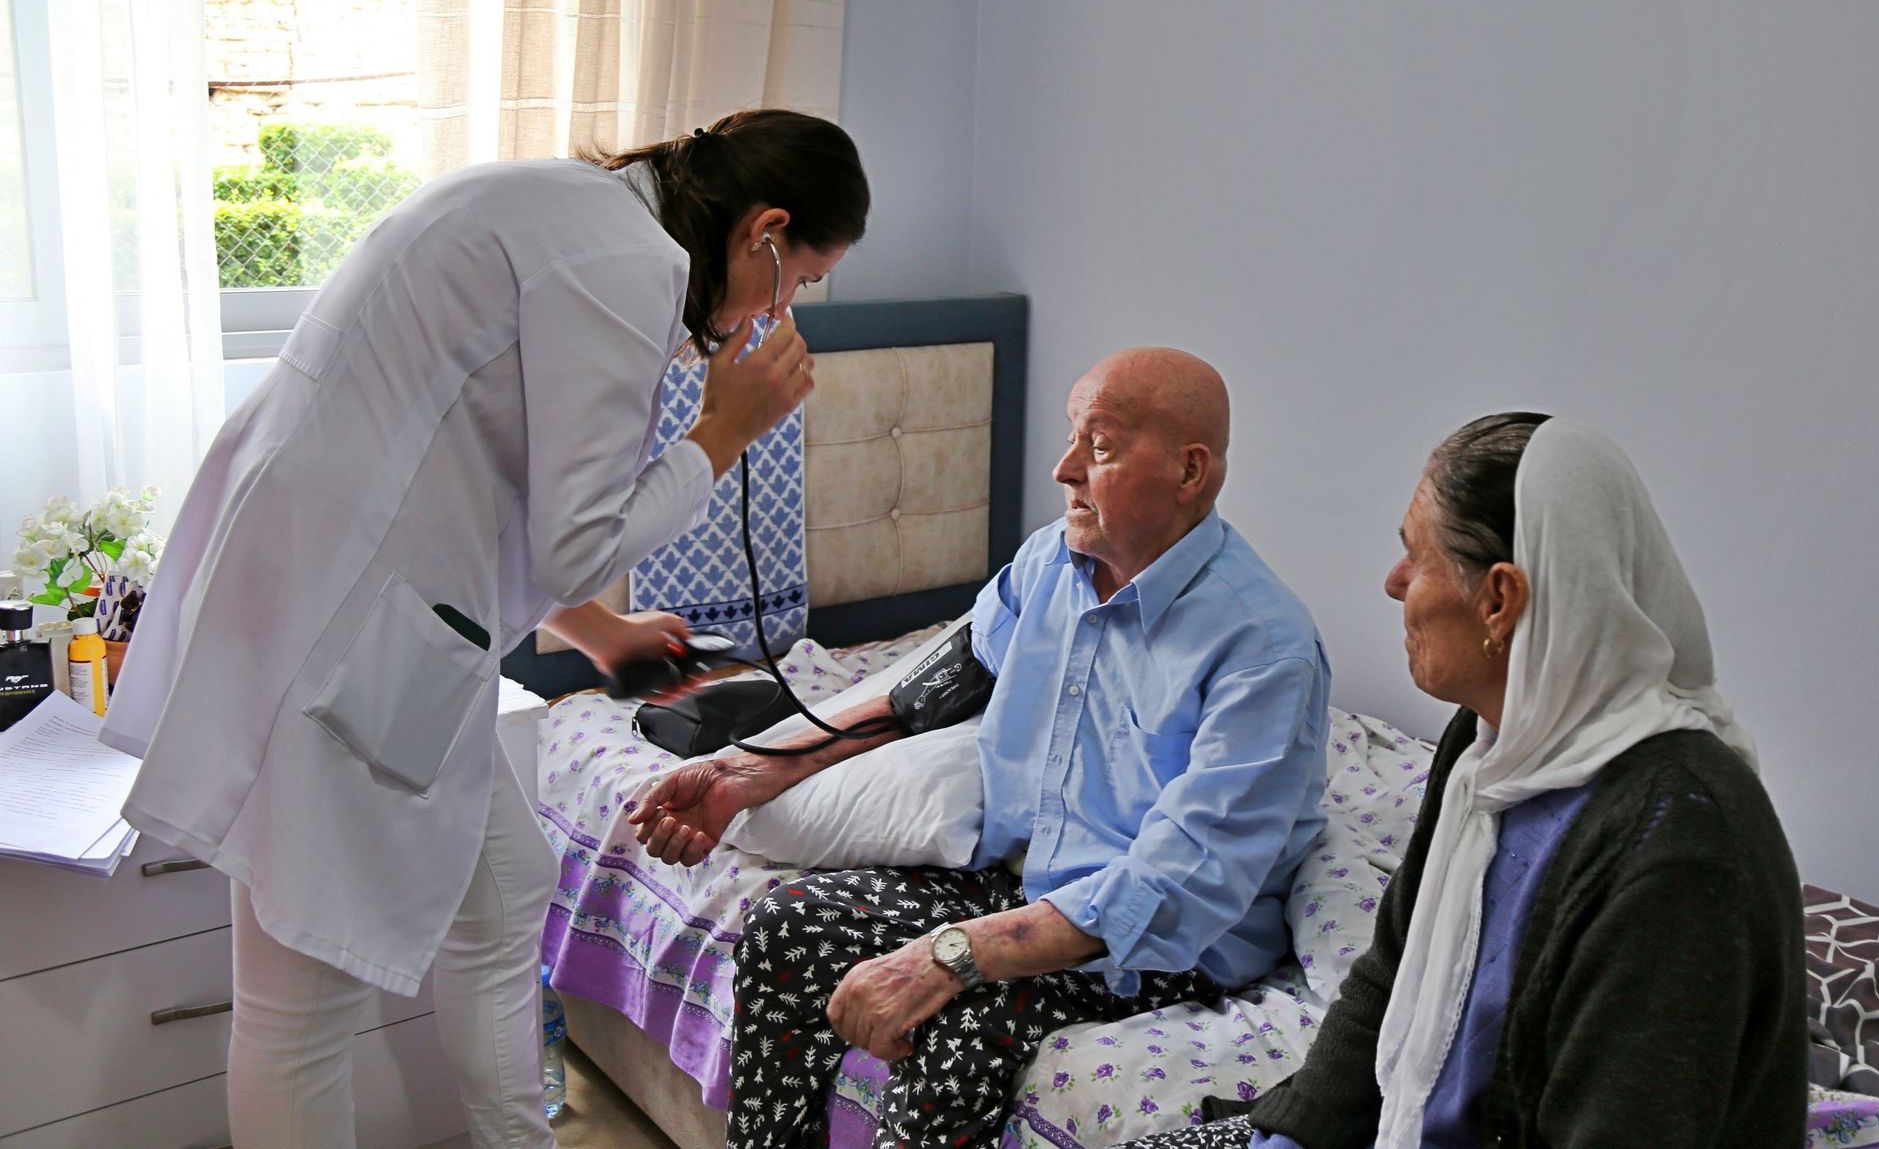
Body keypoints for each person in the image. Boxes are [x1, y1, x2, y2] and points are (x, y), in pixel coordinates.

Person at [99, 109, 867, 1148]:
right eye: (802, 279)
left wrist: (595, 633)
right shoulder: (625, 263)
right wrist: (723, 429)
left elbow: (483, 462)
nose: (785, 308)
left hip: (359, 611)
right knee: (301, 999)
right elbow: (574, 538)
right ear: (765, 231)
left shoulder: (563, 208)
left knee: (508, 888)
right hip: (351, 639)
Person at [629, 347, 1333, 1148]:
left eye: (1098, 446)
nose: (1065, 467)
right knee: (786, 925)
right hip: (1028, 892)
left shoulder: (1263, 647)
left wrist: (949, 954)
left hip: (1166, 946)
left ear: (1190, 471)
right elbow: (927, 695)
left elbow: (1175, 885)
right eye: (1072, 436)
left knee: (964, 1024)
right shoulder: (1049, 565)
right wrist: (750, 769)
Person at [1122, 414, 1807, 1149]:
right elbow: (1390, 972)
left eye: (1415, 558)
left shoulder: (1676, 844)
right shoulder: (1489, 742)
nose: (1393, 583)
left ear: (1499, 600)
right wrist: (1297, 1133)